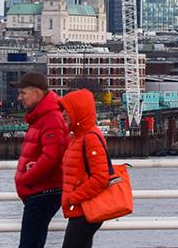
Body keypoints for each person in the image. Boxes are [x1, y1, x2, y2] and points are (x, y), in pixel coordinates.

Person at [13, 71, 68, 248]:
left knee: (29, 244)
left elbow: (52, 158)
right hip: (39, 192)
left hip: (43, 192)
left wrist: (25, 180)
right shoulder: (42, 117)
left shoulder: (50, 118)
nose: (19, 97)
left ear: (37, 93)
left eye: (23, 93)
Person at [59, 89, 110, 248]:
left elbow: (101, 177)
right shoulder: (79, 136)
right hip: (81, 209)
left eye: (68, 110)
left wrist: (74, 197)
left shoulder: (89, 137)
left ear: (78, 112)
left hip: (84, 210)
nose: (63, 114)